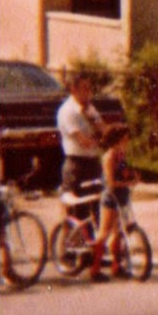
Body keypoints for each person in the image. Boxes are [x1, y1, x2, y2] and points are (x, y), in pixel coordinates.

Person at [87, 123, 138, 282]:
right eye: (125, 138)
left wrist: (131, 175)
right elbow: (110, 182)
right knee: (104, 233)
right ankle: (94, 269)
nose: (127, 140)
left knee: (117, 232)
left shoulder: (121, 154)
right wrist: (128, 183)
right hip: (111, 197)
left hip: (122, 196)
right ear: (118, 139)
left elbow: (123, 172)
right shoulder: (109, 156)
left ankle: (117, 266)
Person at [57, 73, 106, 218]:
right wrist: (101, 139)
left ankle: (94, 239)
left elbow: (103, 129)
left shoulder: (89, 108)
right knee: (78, 212)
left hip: (93, 162)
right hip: (77, 164)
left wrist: (105, 134)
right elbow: (84, 142)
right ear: (73, 90)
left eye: (90, 88)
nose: (89, 92)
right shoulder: (68, 111)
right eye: (84, 88)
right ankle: (72, 239)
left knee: (98, 208)